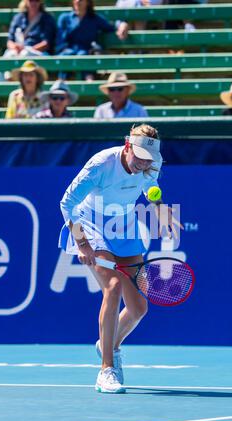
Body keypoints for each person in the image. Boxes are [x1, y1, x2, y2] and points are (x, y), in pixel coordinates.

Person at [59, 123, 179, 393]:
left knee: (138, 308)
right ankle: (106, 370)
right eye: (138, 157)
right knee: (112, 287)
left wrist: (158, 206)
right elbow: (67, 203)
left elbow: (150, 185)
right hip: (91, 225)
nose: (142, 164)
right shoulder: (101, 164)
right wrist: (82, 242)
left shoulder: (152, 162)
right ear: (127, 146)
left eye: (148, 160)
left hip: (124, 228)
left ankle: (107, 343)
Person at [56, 0, 128, 78]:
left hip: (87, 51)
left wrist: (123, 24)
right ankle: (61, 82)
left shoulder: (95, 18)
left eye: (81, 0)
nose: (78, 1)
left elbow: (111, 27)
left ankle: (89, 81)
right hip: (68, 51)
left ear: (88, 2)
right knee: (65, 57)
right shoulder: (64, 18)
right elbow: (60, 41)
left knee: (83, 56)